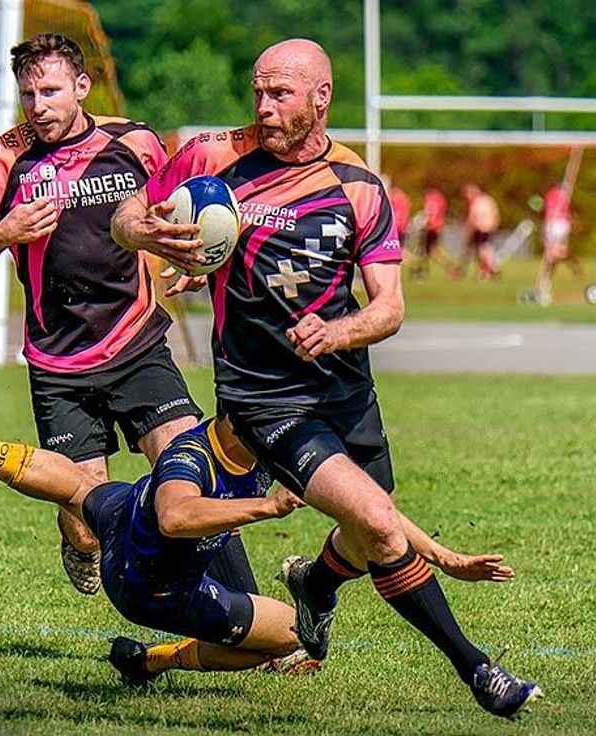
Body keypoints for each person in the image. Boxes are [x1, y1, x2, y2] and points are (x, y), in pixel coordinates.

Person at [111, 38, 541, 719]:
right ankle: (480, 671)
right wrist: (146, 236)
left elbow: (390, 307)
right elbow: (129, 213)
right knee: (377, 520)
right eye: (258, 92)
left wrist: (339, 332)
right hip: (264, 399)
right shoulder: (215, 156)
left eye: (280, 94)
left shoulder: (359, 186)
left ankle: (315, 581)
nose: (264, 107)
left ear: (321, 98)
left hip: (345, 390)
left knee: (369, 537)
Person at [0, 388, 518, 682]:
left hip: (121, 510)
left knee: (74, 486)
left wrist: (441, 554)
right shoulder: (190, 457)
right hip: (149, 584)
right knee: (290, 639)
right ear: (239, 418)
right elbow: (179, 516)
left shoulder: (264, 448)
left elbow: (365, 504)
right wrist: (263, 511)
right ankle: (155, 659)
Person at [0, 33, 255, 597]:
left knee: (196, 480)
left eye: (52, 91)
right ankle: (76, 538)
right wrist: (1, 234)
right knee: (88, 521)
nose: (39, 106)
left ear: (82, 87)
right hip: (58, 365)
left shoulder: (134, 142)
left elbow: (181, 210)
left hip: (136, 345)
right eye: (29, 94)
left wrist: (201, 260)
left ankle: (248, 615)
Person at [453, 183, 500, 280]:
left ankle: (486, 271)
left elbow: (473, 218)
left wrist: (469, 230)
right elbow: (495, 214)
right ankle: (486, 270)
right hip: (489, 228)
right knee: (483, 250)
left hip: (481, 229)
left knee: (479, 251)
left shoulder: (477, 202)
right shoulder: (488, 200)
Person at [411, 186, 451, 281]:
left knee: (428, 251)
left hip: (431, 228)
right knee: (431, 251)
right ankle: (422, 271)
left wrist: (424, 223)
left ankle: (422, 272)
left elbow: (431, 213)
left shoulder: (432, 199)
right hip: (437, 227)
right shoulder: (440, 198)